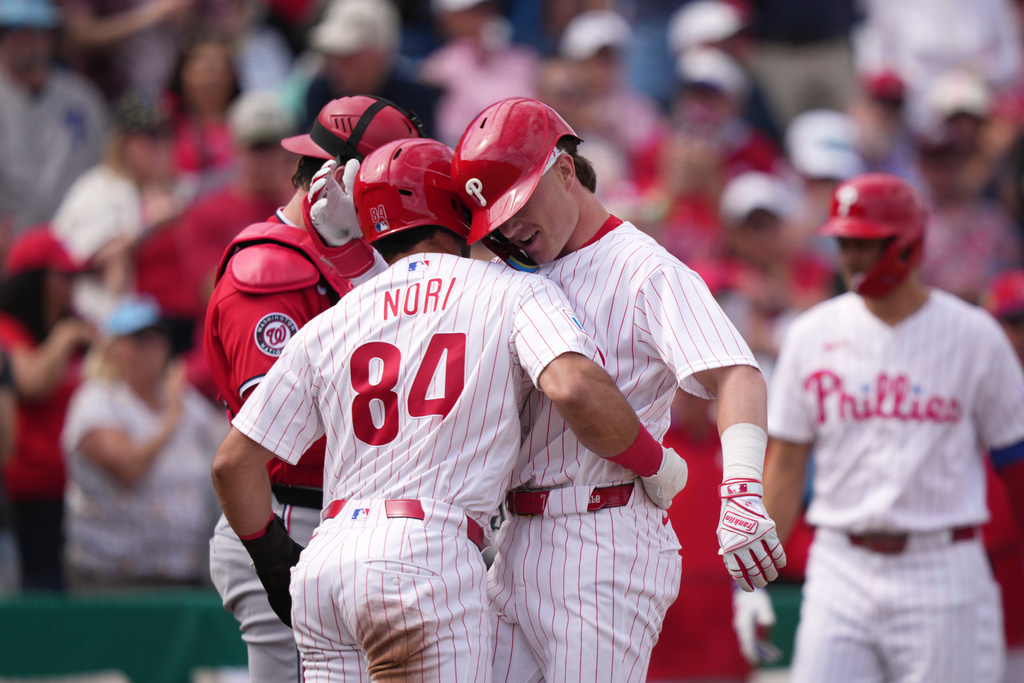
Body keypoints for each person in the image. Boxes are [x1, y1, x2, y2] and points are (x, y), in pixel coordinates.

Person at [211, 136, 687, 681]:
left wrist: (270, 554)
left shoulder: (337, 316)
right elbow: (574, 386)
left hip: (327, 560)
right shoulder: (509, 289)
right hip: (424, 555)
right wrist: (658, 464)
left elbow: (232, 464)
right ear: (458, 206)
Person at [448, 97, 786, 682]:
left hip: (600, 534)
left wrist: (743, 489)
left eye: (519, 204)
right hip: (514, 537)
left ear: (562, 170)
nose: (510, 226)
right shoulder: (513, 266)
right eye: (497, 218)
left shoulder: (644, 269)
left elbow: (736, 372)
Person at [762, 172, 1024, 682]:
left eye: (866, 243)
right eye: (844, 243)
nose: (852, 258)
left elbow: (1016, 463)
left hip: (942, 564)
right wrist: (754, 579)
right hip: (839, 561)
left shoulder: (975, 336)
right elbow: (787, 464)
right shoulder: (810, 334)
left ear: (909, 243)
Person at [204, 94, 425, 683]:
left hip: (341, 517)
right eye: (386, 183)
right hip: (284, 518)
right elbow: (276, 436)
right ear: (336, 180)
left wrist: (364, 268)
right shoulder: (270, 273)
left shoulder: (354, 261)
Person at [61, 296, 225, 591]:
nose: (150, 347)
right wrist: (169, 422)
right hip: (113, 577)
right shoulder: (96, 400)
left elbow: (225, 451)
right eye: (138, 339)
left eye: (157, 337)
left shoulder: (184, 401)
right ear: (112, 348)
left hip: (183, 570)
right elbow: (128, 469)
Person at [0, 226, 95, 591]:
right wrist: (67, 336)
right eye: (63, 276)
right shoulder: (9, 330)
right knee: (37, 591)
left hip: (76, 490)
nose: (72, 286)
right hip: (28, 491)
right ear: (36, 280)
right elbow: (32, 382)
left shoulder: (78, 325)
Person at [0, 0, 109, 232]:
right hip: (9, 247)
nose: (26, 41)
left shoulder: (82, 98)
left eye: (36, 31)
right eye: (14, 31)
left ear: (51, 36)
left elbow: (105, 171)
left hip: (74, 239)